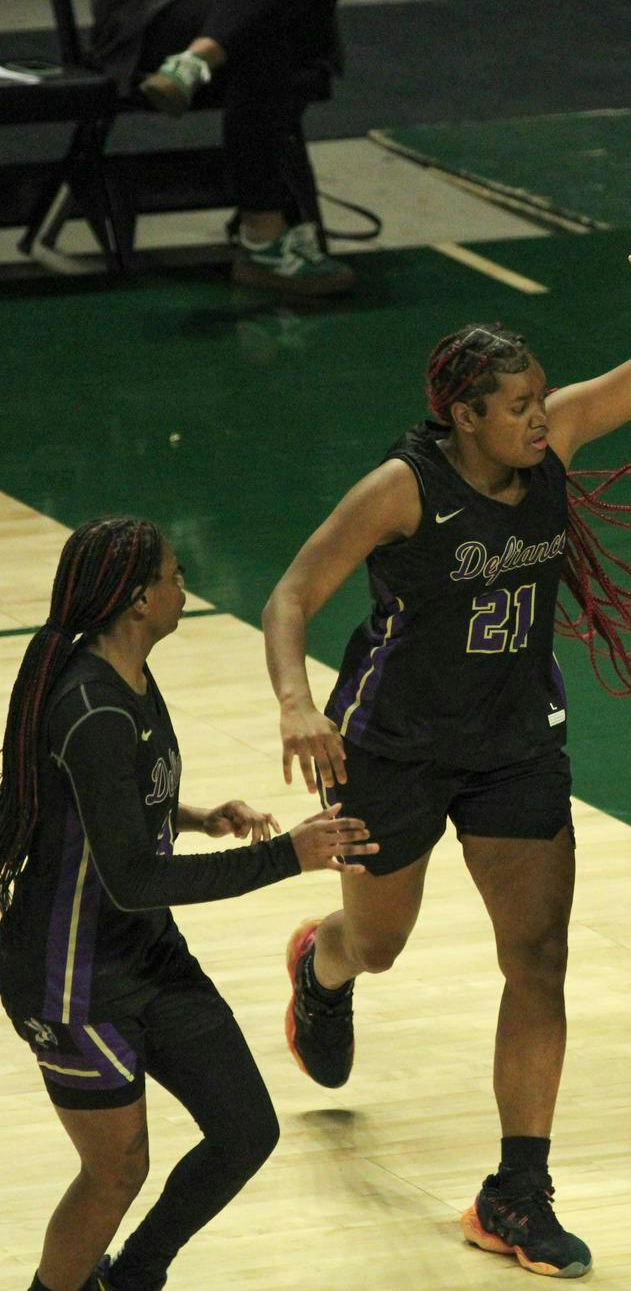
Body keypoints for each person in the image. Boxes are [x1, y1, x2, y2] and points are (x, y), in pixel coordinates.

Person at [261, 204, 631, 1279]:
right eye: (516, 407)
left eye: (537, 400)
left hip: (515, 739)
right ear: (464, 417)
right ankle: (322, 969)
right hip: (397, 744)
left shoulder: (553, 438)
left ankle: (515, 1191)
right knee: (381, 942)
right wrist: (294, 703)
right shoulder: (402, 489)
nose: (538, 421)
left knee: (540, 957)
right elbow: (290, 595)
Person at [0, 516, 371, 1291]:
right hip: (75, 979)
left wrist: (193, 815)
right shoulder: (92, 707)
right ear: (138, 600)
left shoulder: (132, 675)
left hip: (142, 951)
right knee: (115, 1172)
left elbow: (109, 808)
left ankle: (131, 1276)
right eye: (172, 575)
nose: (183, 584)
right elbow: (134, 878)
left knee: (245, 1129)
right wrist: (284, 854)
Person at [69, 0, 354, 294]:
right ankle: (263, 238)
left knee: (272, 4)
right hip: (158, 8)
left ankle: (194, 63)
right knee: (261, 36)